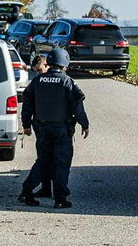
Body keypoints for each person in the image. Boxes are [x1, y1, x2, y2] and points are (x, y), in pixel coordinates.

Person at [18, 47, 89, 209]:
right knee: (61, 163)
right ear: (64, 64)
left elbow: (27, 104)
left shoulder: (37, 81)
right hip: (62, 130)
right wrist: (84, 124)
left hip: (42, 129)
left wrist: (26, 124)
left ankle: (26, 191)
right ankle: (60, 198)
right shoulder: (67, 81)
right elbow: (78, 107)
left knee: (42, 162)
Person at [26, 55, 53, 198]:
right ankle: (46, 188)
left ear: (47, 65)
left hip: (55, 126)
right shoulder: (37, 82)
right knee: (44, 158)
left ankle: (56, 190)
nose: (39, 73)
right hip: (41, 126)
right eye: (36, 71)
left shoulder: (59, 79)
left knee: (53, 159)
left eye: (40, 70)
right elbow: (27, 104)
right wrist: (26, 125)